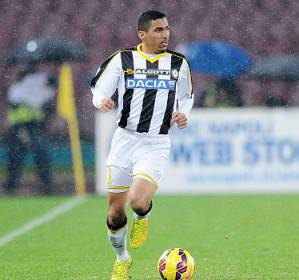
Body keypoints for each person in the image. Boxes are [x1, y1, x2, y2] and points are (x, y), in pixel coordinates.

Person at [90, 10, 193, 280]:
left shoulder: (178, 63)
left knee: (137, 200)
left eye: (167, 28)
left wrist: (184, 114)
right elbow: (99, 88)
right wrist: (100, 100)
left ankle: (143, 217)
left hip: (155, 142)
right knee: (114, 214)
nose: (165, 34)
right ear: (142, 34)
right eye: (158, 30)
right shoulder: (123, 59)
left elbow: (186, 96)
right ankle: (122, 260)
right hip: (125, 141)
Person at [4, 63, 55, 195]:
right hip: (23, 127)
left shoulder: (18, 90)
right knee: (23, 159)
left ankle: (44, 186)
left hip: (32, 126)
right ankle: (12, 187)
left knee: (33, 159)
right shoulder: (17, 90)